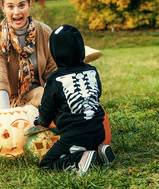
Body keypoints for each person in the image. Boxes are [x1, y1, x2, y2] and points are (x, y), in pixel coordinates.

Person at [0, 0, 102, 110]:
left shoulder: (45, 32)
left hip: (48, 92)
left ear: (29, 5)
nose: (17, 12)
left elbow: (55, 69)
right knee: (41, 94)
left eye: (21, 5)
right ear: (3, 8)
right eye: (10, 7)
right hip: (16, 101)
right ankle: (31, 113)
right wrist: (5, 114)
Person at [33, 24, 115, 175]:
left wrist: (40, 122)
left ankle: (78, 158)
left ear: (55, 53)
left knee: (46, 164)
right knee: (87, 140)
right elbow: (97, 95)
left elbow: (46, 111)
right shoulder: (92, 70)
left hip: (75, 137)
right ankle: (99, 150)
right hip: (98, 131)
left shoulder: (55, 79)